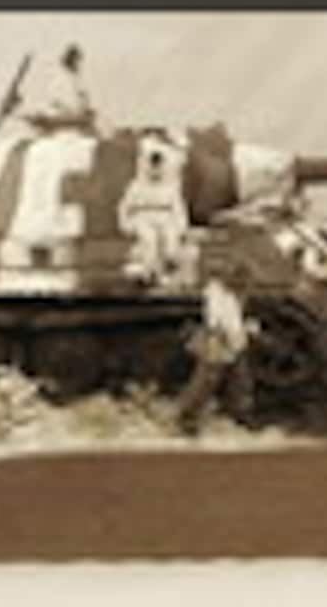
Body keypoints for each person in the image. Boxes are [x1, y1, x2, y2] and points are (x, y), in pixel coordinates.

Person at [175, 277, 259, 435]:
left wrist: (243, 330)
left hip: (234, 341)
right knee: (206, 381)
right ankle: (187, 418)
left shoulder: (230, 296)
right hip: (220, 342)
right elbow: (215, 323)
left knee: (240, 380)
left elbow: (233, 320)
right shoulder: (217, 295)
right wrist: (228, 336)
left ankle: (241, 414)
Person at [118, 142, 190, 286]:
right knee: (149, 239)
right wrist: (125, 223)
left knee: (170, 239)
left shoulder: (170, 186)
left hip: (165, 218)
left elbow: (178, 207)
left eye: (158, 166)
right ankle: (149, 273)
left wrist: (181, 225)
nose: (155, 170)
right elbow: (124, 207)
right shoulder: (136, 186)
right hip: (143, 218)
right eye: (152, 166)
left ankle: (166, 271)